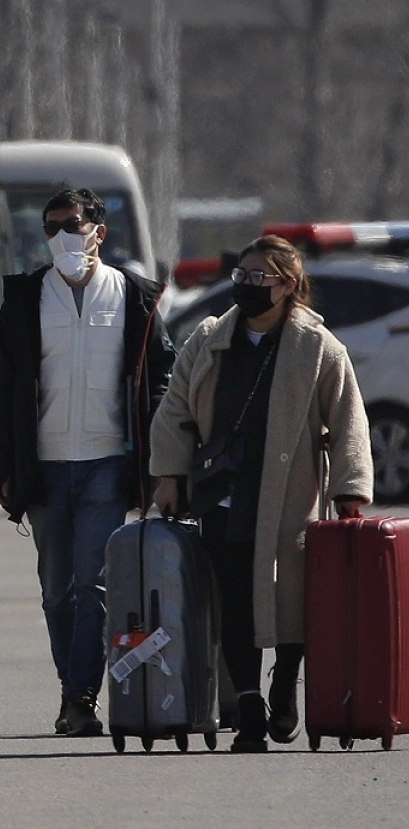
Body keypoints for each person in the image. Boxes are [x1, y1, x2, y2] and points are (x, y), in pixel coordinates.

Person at [150, 235, 372, 752]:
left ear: (288, 286)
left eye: (259, 279)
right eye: (241, 277)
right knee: (234, 602)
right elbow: (174, 410)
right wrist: (168, 476)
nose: (247, 287)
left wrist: (349, 489)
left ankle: (285, 685)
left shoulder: (317, 347)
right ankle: (250, 708)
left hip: (288, 496)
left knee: (290, 598)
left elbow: (348, 420)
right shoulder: (208, 338)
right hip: (222, 494)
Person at [0, 187, 174, 738]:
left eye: (72, 223)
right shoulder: (25, 300)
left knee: (93, 584)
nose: (62, 236)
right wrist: (1, 462)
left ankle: (81, 698)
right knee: (56, 589)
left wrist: (162, 459)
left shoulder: (135, 297)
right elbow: (0, 383)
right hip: (44, 467)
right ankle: (75, 689)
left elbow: (161, 376)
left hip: (107, 464)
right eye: (52, 227)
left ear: (98, 231)